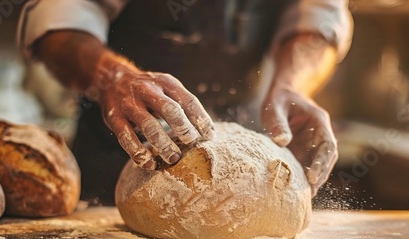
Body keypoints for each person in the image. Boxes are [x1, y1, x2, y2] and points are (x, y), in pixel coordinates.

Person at [18, 0, 353, 204]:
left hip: (255, 147)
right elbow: (59, 20)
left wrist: (293, 86)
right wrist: (113, 77)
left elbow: (317, 15)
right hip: (123, 156)